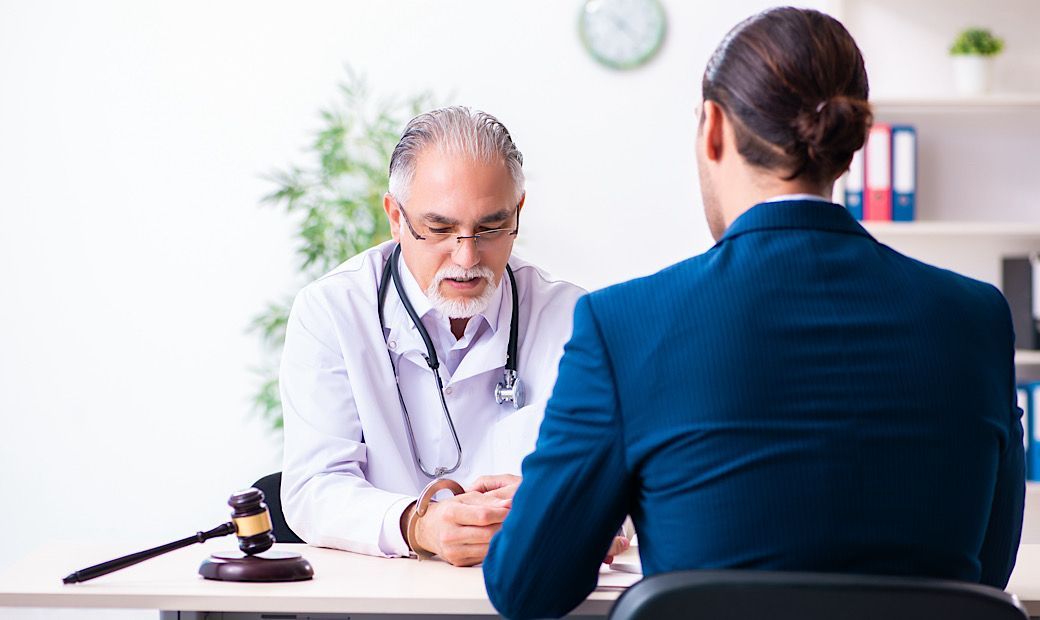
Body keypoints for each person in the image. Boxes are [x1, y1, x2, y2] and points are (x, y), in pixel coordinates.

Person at [483, 7, 1025, 618]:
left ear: (712, 128)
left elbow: (527, 588)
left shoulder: (625, 325)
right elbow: (986, 570)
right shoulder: (977, 319)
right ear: (851, 143)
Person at [279, 106, 588, 566]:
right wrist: (417, 525)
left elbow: (611, 476)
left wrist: (564, 503)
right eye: (440, 229)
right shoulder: (332, 311)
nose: (466, 258)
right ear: (395, 217)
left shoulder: (572, 319)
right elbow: (314, 488)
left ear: (518, 212)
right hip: (386, 602)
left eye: (490, 228)